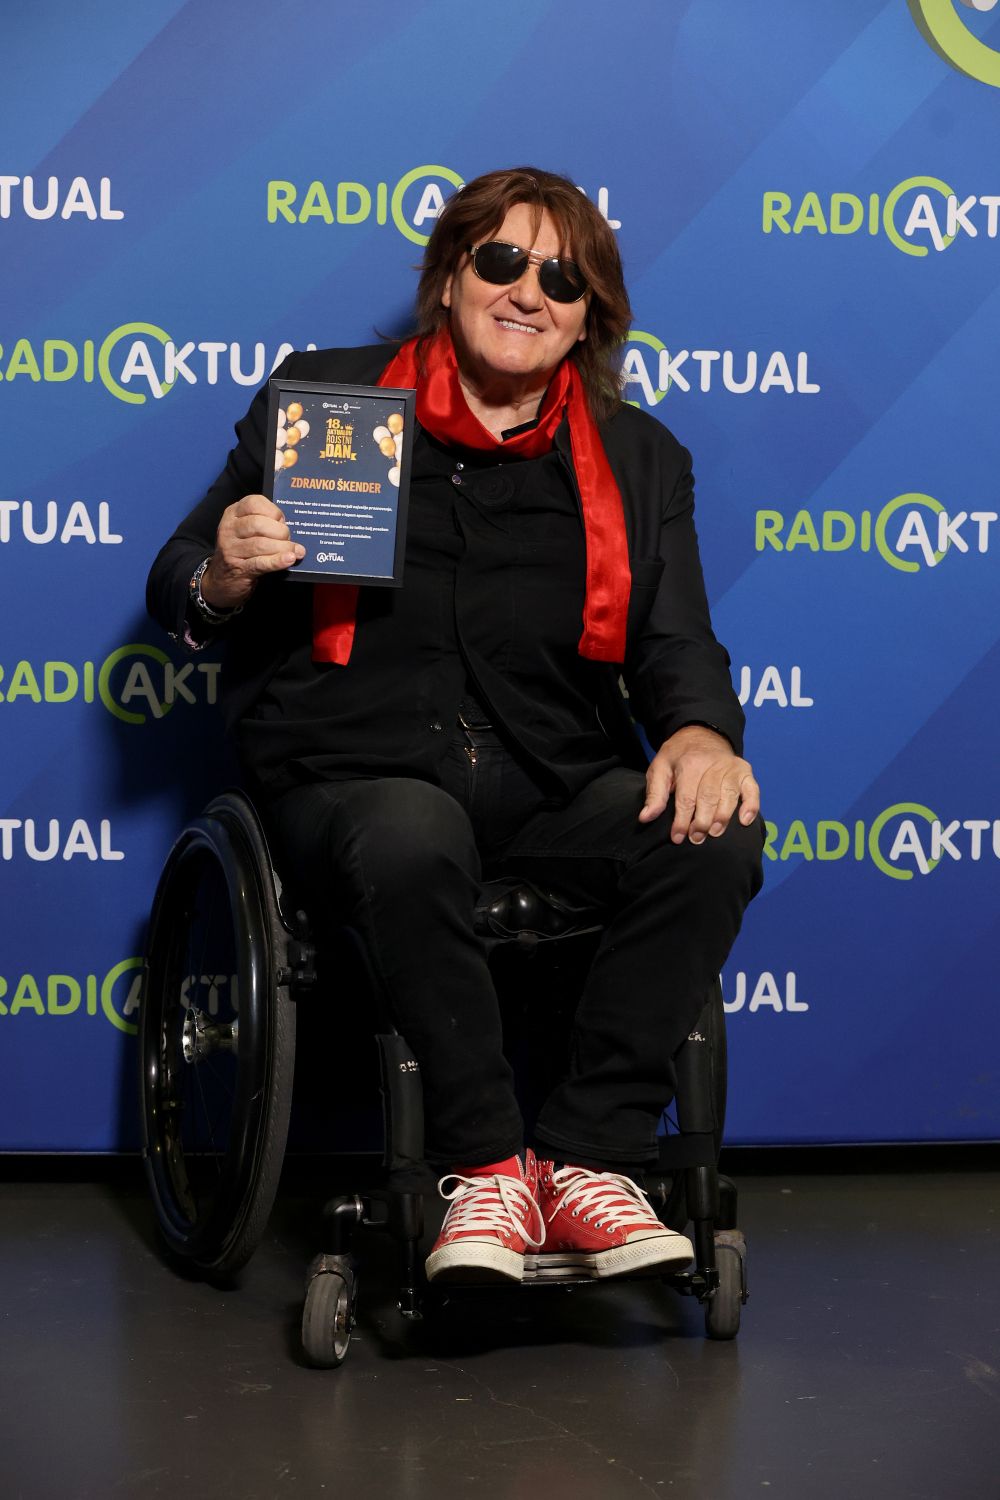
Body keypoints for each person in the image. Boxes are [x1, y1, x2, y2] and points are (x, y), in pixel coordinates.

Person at [148, 165, 763, 1287]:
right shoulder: (325, 404)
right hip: (352, 771)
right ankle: (481, 1167)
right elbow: (179, 580)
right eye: (503, 261)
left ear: (588, 319)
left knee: (710, 832)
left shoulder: (640, 457)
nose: (530, 292)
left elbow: (676, 643)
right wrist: (223, 574)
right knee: (409, 830)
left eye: (563, 280)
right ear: (448, 278)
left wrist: (702, 734)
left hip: (546, 781)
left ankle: (588, 1158)